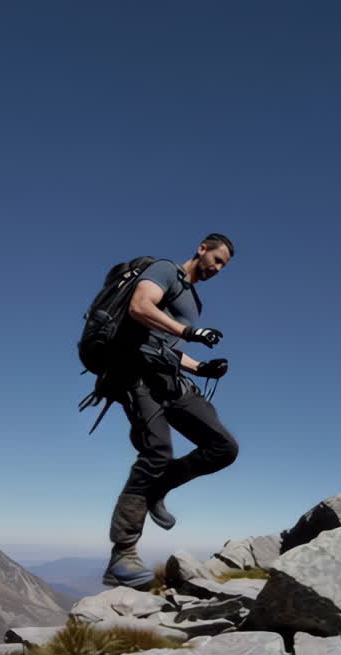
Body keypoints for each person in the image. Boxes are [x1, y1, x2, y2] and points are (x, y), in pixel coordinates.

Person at [102, 233, 239, 588]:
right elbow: (139, 307)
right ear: (202, 249)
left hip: (169, 377)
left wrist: (202, 368)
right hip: (135, 373)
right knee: (157, 451)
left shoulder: (194, 300)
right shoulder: (164, 271)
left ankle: (157, 488)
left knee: (223, 448)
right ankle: (122, 555)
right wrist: (190, 331)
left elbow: (167, 345)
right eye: (218, 260)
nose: (219, 269)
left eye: (224, 266)